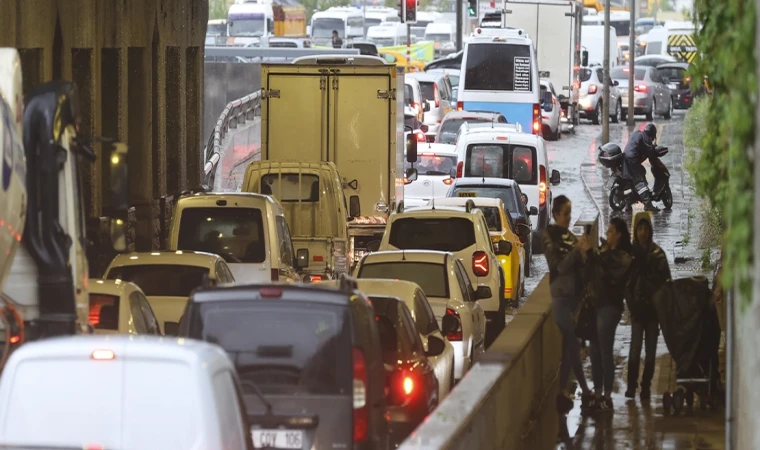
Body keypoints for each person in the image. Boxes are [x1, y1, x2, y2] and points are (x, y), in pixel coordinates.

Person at [543, 195, 593, 412]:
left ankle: (563, 391)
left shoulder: (570, 236)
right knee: (572, 343)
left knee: (569, 347)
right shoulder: (549, 236)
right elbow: (558, 265)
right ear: (555, 214)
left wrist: (585, 251)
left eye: (570, 214)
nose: (568, 218)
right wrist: (576, 251)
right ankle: (584, 389)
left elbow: (582, 264)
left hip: (574, 298)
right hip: (561, 297)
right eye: (565, 214)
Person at [586, 217, 633, 411]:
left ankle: (607, 395)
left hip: (610, 306)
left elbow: (610, 273)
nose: (608, 234)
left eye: (611, 231)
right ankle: (597, 393)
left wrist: (595, 254)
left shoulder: (623, 257)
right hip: (596, 304)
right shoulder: (603, 252)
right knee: (594, 352)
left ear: (619, 235)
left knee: (605, 350)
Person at [625, 212, 671, 401]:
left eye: (646, 229)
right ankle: (631, 385)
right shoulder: (632, 256)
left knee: (650, 353)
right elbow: (626, 284)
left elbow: (666, 284)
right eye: (640, 229)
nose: (643, 233)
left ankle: (645, 386)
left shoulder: (658, 255)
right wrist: (632, 305)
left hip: (653, 313)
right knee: (635, 351)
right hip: (637, 312)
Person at [622, 123, 659, 212]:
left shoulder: (637, 133)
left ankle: (628, 204)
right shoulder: (646, 138)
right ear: (652, 134)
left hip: (625, 158)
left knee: (629, 181)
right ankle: (648, 204)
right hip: (633, 159)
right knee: (640, 180)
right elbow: (650, 151)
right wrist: (654, 149)